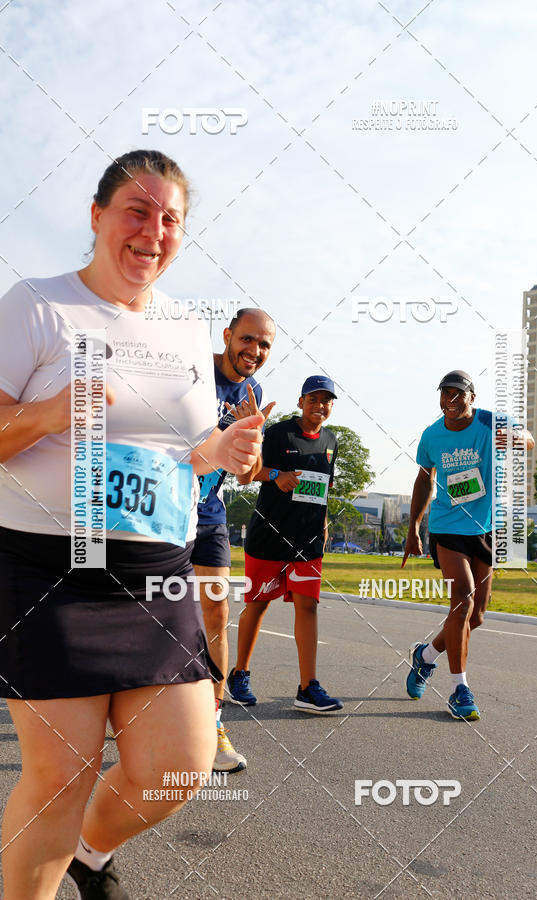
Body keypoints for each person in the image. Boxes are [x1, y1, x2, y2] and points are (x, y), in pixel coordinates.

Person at [0, 150, 264, 900]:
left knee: (179, 766)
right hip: (50, 571)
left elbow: (183, 454)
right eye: (137, 211)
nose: (153, 231)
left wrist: (225, 451)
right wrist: (55, 411)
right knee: (58, 779)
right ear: (96, 216)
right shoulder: (37, 305)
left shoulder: (185, 328)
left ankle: (88, 854)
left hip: (158, 573)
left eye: (170, 218)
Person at [402, 370, 534, 721]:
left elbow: (530, 440)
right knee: (462, 597)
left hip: (488, 527)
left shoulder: (491, 421)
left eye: (459, 393)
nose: (451, 399)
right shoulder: (432, 435)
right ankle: (460, 688)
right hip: (447, 526)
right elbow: (423, 479)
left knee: (475, 616)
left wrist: (512, 439)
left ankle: (425, 656)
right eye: (445, 393)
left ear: (471, 397)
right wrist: (414, 526)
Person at [227, 375, 344, 714]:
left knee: (308, 606)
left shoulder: (332, 441)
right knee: (259, 605)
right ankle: (240, 674)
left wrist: (322, 527)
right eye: (313, 399)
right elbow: (248, 473)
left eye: (326, 400)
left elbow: (322, 488)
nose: (320, 405)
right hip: (268, 536)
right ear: (301, 401)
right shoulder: (278, 434)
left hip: (307, 541)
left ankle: (308, 687)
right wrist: (277, 475)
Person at [191, 307, 276, 773]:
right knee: (144, 612)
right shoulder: (192, 372)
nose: (255, 352)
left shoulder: (253, 392)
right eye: (247, 340)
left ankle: (213, 723)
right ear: (227, 335)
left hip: (210, 512)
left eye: (264, 346)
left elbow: (243, 475)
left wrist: (251, 438)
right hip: (166, 509)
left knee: (218, 609)